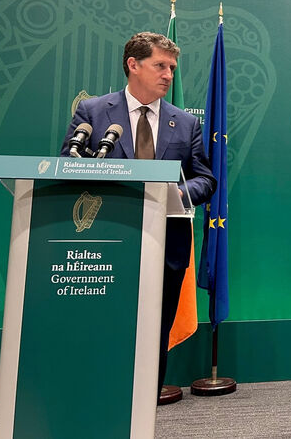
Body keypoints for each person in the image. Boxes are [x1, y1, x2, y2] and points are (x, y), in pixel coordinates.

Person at [60, 32, 216, 399]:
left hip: (166, 247)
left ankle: (147, 407)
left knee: (155, 332)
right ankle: (97, 401)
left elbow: (206, 179)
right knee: (104, 328)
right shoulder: (93, 113)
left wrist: (180, 192)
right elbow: (67, 164)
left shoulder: (186, 123)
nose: (168, 75)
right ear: (133, 64)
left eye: (172, 68)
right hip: (106, 242)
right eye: (160, 66)